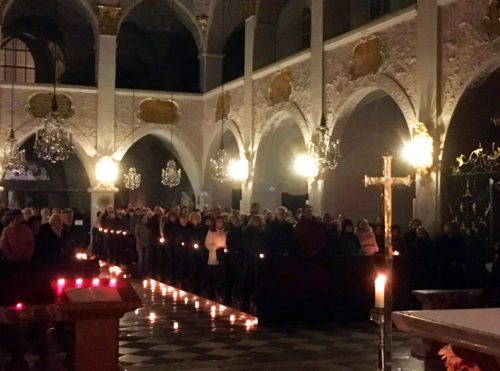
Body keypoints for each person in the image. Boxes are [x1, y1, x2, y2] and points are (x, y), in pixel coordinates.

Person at [241, 214, 266, 311]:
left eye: (258, 221)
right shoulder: (247, 232)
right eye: (255, 220)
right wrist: (252, 253)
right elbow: (245, 244)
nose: (256, 222)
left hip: (259, 258)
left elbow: (264, 243)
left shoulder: (262, 232)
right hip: (249, 258)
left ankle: (256, 299)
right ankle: (246, 299)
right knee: (248, 278)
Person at [436, 222, 466, 289]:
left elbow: (462, 251)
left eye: (451, 230)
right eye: (448, 231)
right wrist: (448, 261)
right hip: (445, 267)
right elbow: (440, 253)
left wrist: (457, 261)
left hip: (457, 265)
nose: (450, 232)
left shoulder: (458, 239)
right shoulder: (441, 239)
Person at [204, 216, 227, 299]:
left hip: (224, 256)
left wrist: (225, 248)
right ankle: (212, 292)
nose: (220, 223)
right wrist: (215, 248)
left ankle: (220, 291)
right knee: (213, 276)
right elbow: (207, 243)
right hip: (214, 256)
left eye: (221, 222)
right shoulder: (211, 232)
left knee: (222, 275)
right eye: (218, 222)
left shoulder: (226, 232)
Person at [135, 213, 151, 278]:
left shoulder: (148, 225)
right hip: (140, 244)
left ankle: (145, 272)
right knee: (141, 259)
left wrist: (148, 242)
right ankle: (139, 272)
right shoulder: (138, 225)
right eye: (144, 218)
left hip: (147, 243)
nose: (145, 219)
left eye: (146, 218)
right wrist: (141, 243)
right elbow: (137, 235)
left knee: (146, 259)